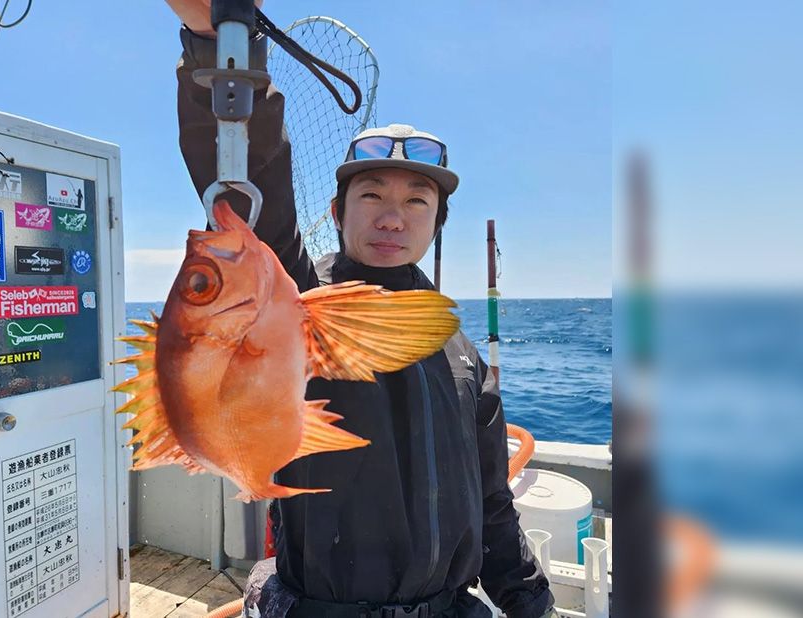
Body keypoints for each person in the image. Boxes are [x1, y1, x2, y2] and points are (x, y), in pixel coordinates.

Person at [165, 2, 556, 616]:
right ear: (335, 213)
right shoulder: (293, 305)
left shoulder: (459, 351)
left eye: (417, 201)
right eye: (370, 194)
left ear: (436, 223)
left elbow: (488, 497)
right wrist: (214, 42)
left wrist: (530, 601)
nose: (393, 216)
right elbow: (253, 179)